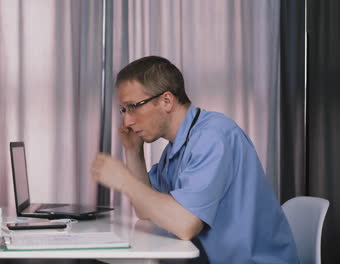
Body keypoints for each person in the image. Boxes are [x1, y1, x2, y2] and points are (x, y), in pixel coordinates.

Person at [91, 56, 299, 263]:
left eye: (133, 106)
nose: (126, 120)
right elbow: (146, 211)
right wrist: (133, 151)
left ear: (166, 101)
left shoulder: (213, 136)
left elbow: (185, 225)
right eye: (124, 110)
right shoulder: (178, 147)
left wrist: (124, 180)